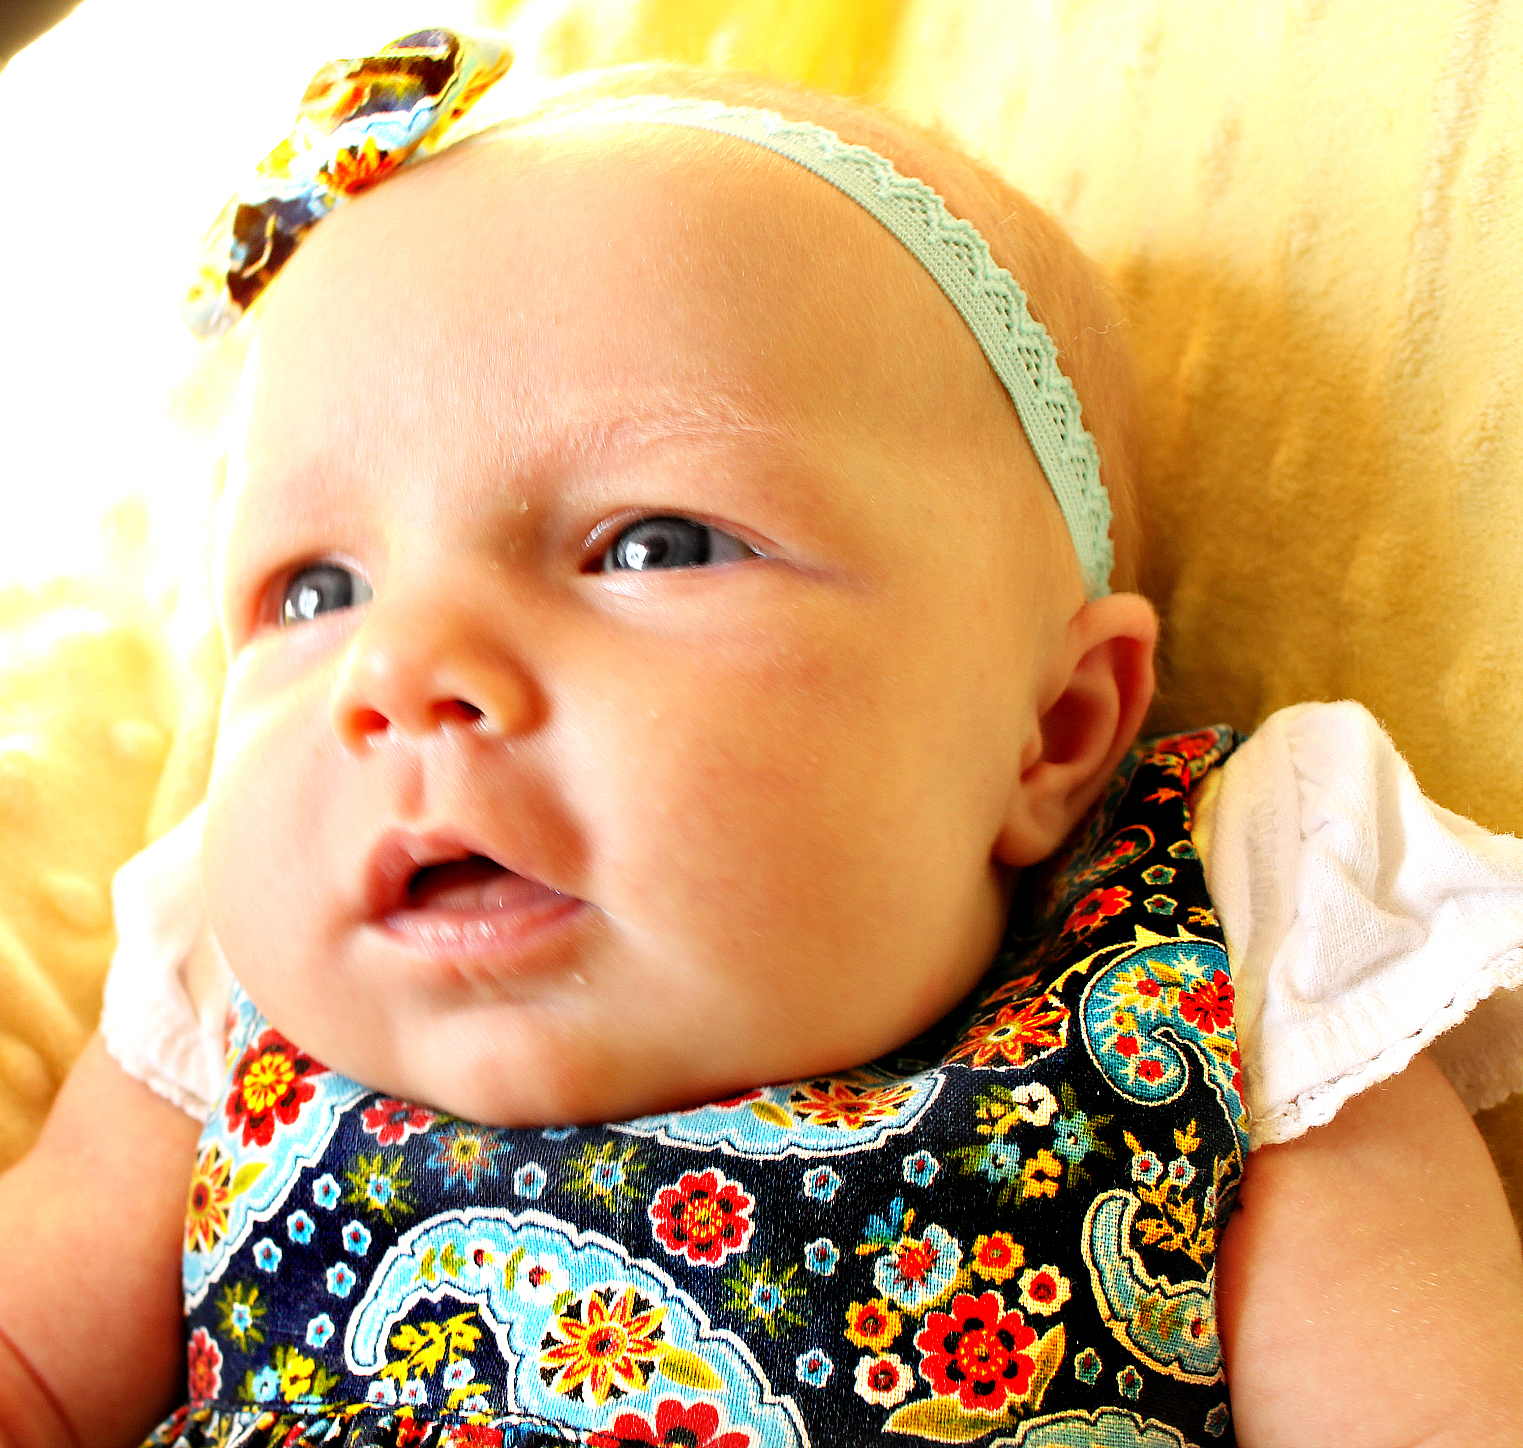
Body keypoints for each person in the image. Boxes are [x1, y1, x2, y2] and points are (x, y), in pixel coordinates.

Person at [1, 27, 1522, 1448]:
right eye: (315, 589)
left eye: (652, 546)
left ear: (1052, 729)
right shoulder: (220, 987)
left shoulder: (1230, 949)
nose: (398, 670)